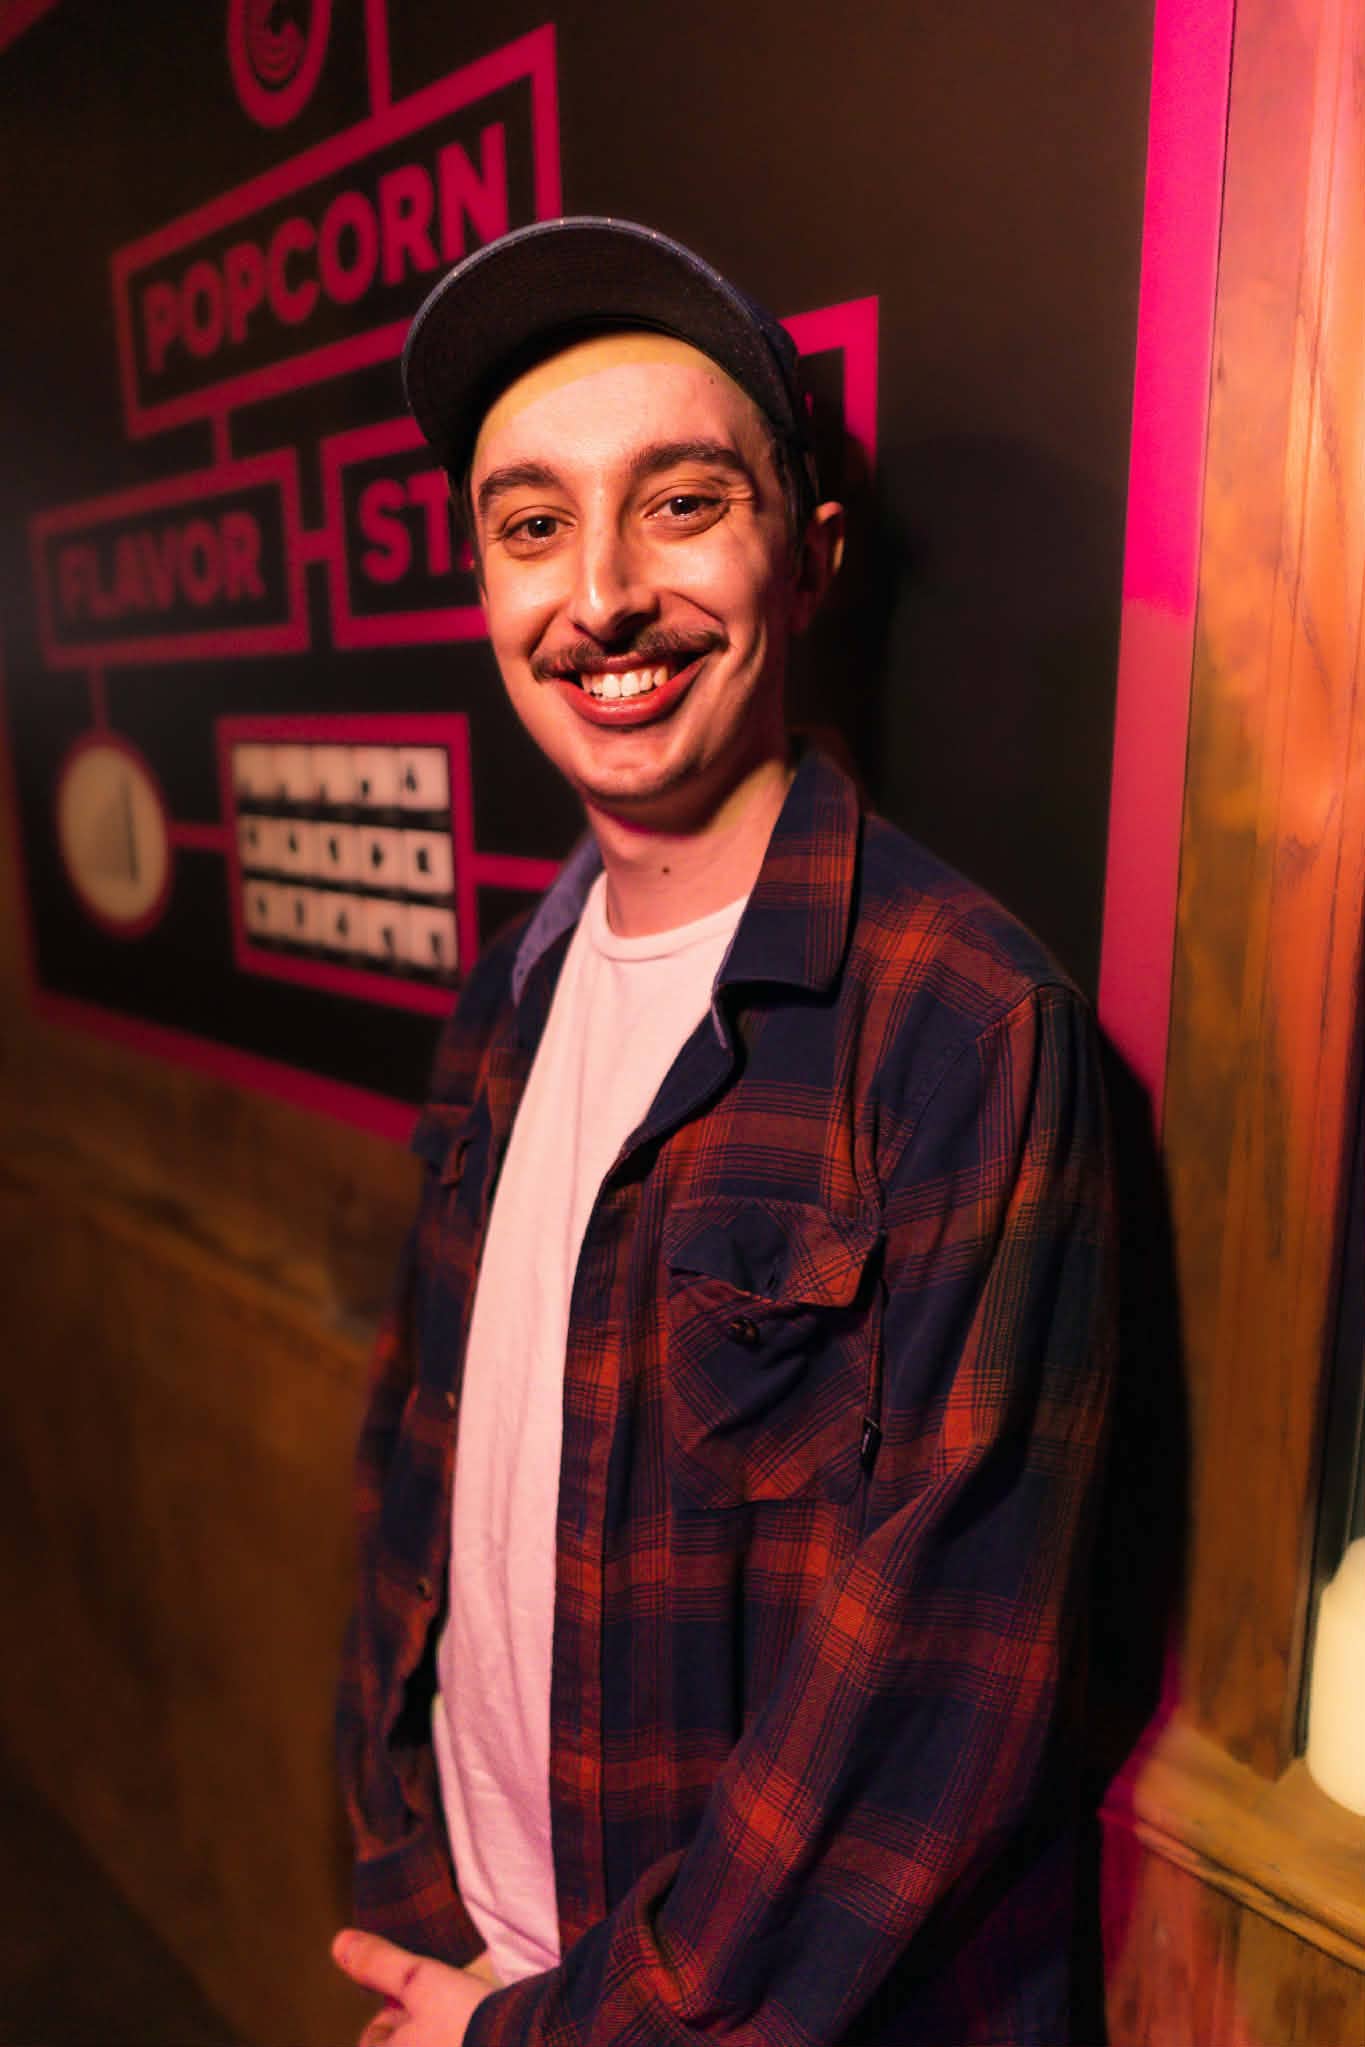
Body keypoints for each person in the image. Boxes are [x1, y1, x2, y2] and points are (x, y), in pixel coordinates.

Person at [331, 217, 1115, 2047]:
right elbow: (419, 1475)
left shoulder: (960, 1024)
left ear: (808, 556)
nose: (601, 594)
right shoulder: (511, 991)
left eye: (679, 504)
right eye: (533, 525)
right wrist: (413, 1894)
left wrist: (548, 2036)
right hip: (479, 1966)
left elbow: (934, 1705)